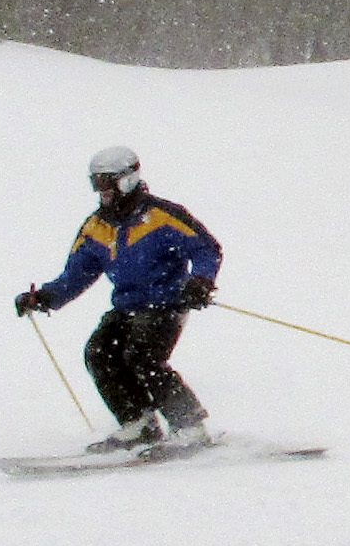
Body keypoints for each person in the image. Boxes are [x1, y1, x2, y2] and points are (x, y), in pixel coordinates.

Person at [14, 146, 223, 453]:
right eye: (96, 183)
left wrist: (200, 281)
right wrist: (44, 298)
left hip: (166, 303)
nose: (103, 191)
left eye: (107, 182)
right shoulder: (97, 227)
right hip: (127, 306)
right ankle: (138, 423)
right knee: (99, 352)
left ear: (127, 179)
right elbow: (76, 274)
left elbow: (206, 248)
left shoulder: (161, 216)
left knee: (142, 356)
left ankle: (190, 426)